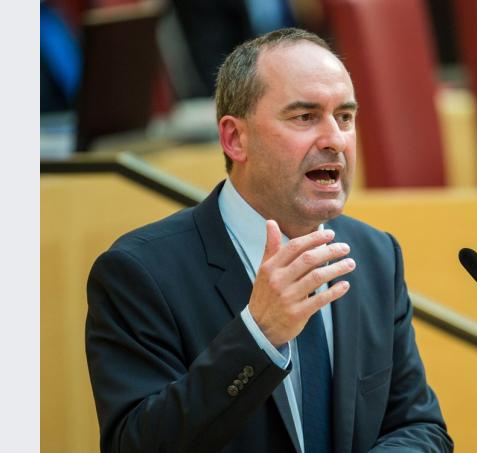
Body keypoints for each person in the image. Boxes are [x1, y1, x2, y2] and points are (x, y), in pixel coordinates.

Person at [85, 28, 453, 453]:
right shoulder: (140, 272)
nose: (335, 139)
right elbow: (135, 445)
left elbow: (419, 426)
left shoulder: (375, 255)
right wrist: (257, 336)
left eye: (345, 117)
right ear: (234, 139)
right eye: (305, 117)